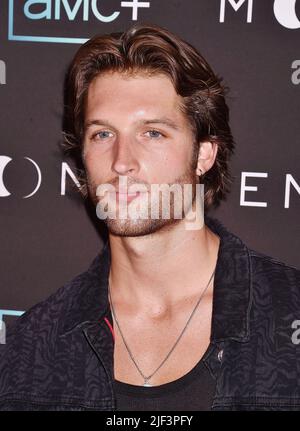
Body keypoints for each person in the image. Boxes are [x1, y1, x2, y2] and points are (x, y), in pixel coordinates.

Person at [0, 23, 299, 411]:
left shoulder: (287, 314)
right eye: (103, 134)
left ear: (204, 155)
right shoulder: (33, 345)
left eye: (152, 133)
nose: (122, 162)